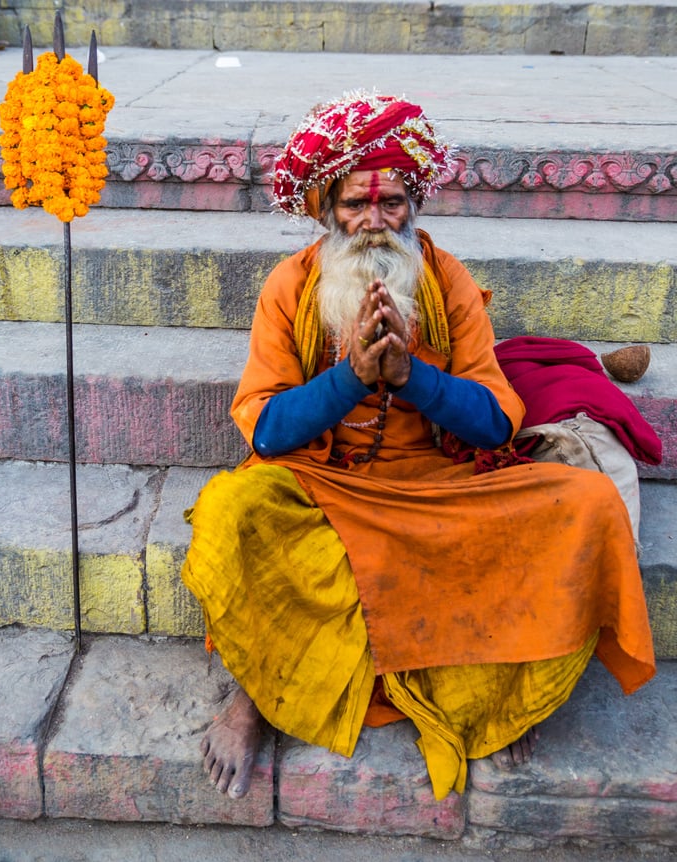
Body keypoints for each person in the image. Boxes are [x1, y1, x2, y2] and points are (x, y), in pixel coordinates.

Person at [181, 91, 656, 802]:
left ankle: (506, 693)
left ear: (415, 205)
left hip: (440, 489)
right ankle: (255, 697)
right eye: (354, 205)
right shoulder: (290, 288)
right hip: (325, 488)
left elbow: (497, 422)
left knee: (585, 503)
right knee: (230, 511)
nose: (375, 221)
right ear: (324, 210)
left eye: (394, 202)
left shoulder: (446, 281)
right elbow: (271, 430)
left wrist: (411, 377)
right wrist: (351, 378)